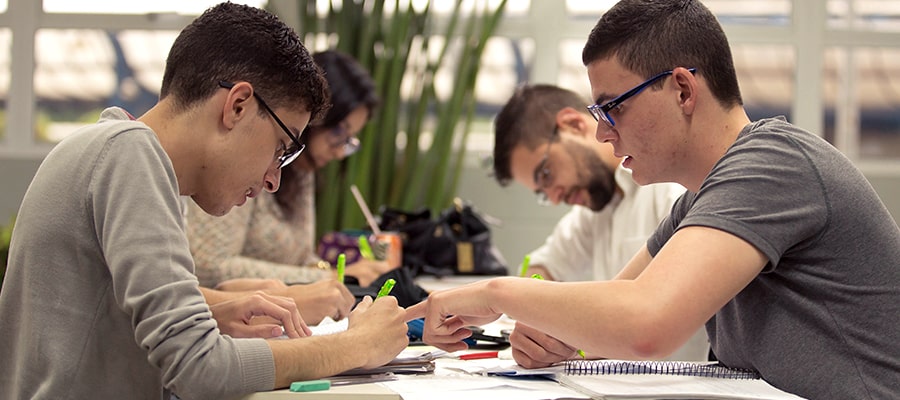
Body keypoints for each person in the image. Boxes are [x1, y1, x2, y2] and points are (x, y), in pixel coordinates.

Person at [406, 1, 900, 398]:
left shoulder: (776, 163)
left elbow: (646, 324)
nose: (603, 134)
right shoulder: (699, 201)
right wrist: (553, 337)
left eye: (613, 108)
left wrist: (497, 295)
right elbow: (610, 314)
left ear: (683, 89)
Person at [0, 4, 409, 400]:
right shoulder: (129, 157)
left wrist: (214, 307)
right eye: (281, 148)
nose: (273, 179)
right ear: (238, 105)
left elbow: (103, 299)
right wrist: (356, 345)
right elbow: (198, 367)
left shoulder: (124, 154)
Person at [492, 83, 707, 362]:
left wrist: (572, 339)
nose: (555, 197)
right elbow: (541, 266)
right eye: (542, 193)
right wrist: (536, 321)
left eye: (546, 174)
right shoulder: (595, 210)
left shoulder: (669, 189)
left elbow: (659, 314)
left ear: (573, 125)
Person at [186, 50, 396, 323]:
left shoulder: (301, 172)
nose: (338, 151)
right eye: (337, 134)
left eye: (349, 141)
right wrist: (325, 277)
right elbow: (210, 265)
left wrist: (329, 273)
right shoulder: (245, 164)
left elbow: (297, 256)